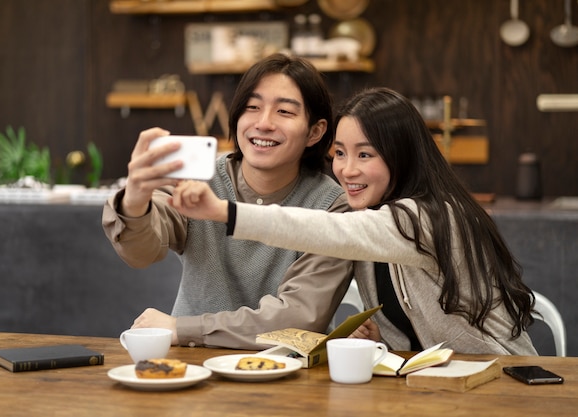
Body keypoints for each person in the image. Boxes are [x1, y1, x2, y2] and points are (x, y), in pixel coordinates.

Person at [170, 87, 538, 355]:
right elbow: (419, 330)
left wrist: (223, 212)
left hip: (501, 381)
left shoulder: (427, 215)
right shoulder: (367, 213)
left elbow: (323, 230)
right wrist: (384, 336)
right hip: (436, 385)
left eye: (365, 154)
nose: (347, 170)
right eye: (340, 154)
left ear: (401, 156)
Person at [102, 53, 354, 349]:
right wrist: (134, 201)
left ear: (315, 131)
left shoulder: (332, 206)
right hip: (192, 368)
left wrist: (183, 329)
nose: (263, 123)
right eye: (252, 107)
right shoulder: (198, 178)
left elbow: (298, 319)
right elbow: (140, 253)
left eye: (284, 112)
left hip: (287, 372)